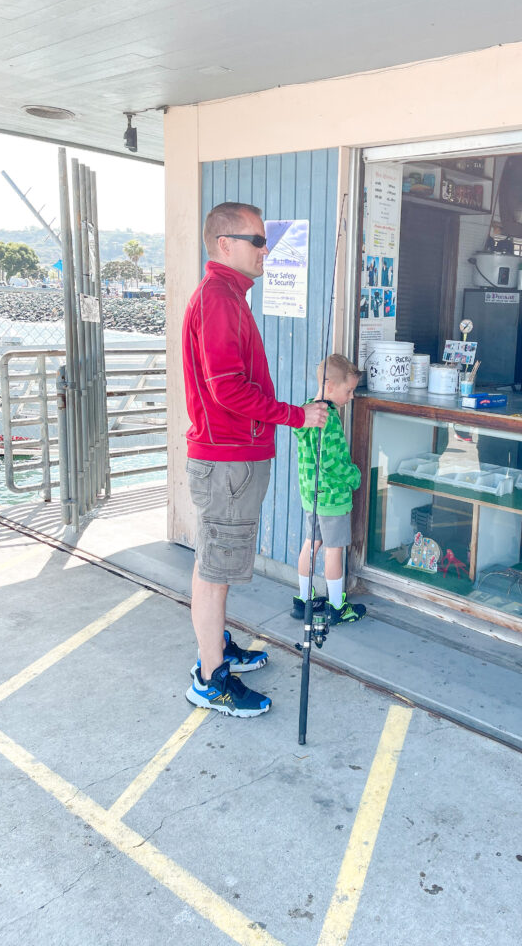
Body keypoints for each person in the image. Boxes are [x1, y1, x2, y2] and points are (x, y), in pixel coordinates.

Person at [182, 201, 327, 717]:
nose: (267, 250)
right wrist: (296, 415)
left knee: (216, 561)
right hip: (228, 463)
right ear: (226, 244)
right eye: (258, 241)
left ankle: (216, 651)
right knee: (215, 567)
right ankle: (209, 677)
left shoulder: (227, 296)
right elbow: (227, 390)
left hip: (231, 460)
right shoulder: (219, 299)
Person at [291, 353, 366, 625]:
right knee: (334, 549)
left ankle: (303, 600)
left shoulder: (306, 412)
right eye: (349, 390)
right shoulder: (329, 419)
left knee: (311, 543)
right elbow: (331, 461)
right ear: (330, 386)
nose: (352, 396)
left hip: (311, 494)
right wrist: (354, 476)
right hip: (333, 497)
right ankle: (337, 606)